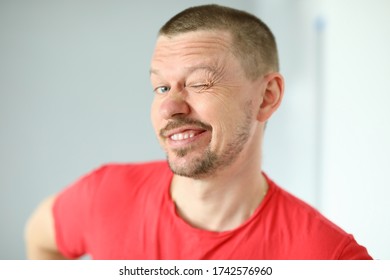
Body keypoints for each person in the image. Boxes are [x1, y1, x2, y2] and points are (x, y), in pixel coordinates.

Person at [25, 4, 372, 260]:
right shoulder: (105, 194)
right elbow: (39, 237)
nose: (168, 107)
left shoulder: (327, 258)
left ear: (267, 97)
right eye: (161, 88)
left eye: (200, 83)